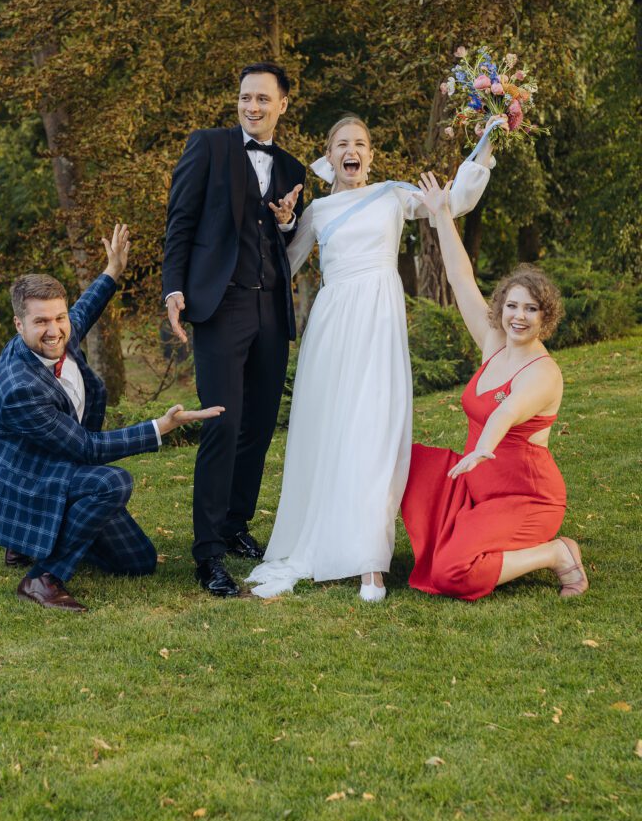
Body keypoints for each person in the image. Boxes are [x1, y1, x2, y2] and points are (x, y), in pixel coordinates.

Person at [246, 115, 496, 603]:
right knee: (331, 432)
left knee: (376, 435)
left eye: (360, 143)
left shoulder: (392, 195)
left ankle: (370, 562)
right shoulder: (318, 210)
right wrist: (285, 224)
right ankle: (328, 541)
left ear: (370, 155)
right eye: (342, 143)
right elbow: (283, 265)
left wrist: (488, 144)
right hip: (332, 329)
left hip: (380, 325)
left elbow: (454, 201)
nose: (352, 151)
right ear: (330, 155)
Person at [0, 224, 222, 612]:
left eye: (59, 317)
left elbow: (84, 309)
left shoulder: (59, 335)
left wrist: (112, 270)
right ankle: (42, 577)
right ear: (19, 325)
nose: (54, 330)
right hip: (27, 484)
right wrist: (162, 426)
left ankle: (38, 540)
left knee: (138, 562)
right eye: (41, 322)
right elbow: (86, 448)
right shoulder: (20, 387)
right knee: (111, 482)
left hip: (55, 466)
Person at [399, 172, 588, 600]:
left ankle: (556, 553)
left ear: (545, 317)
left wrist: (484, 446)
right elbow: (461, 278)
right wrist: (441, 214)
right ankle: (362, 558)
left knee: (452, 572)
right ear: (501, 308)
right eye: (512, 306)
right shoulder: (494, 344)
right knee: (394, 460)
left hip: (526, 499)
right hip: (473, 484)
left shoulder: (543, 373)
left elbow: (506, 410)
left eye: (531, 309)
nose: (519, 316)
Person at [162, 62, 306, 597]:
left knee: (260, 425)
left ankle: (234, 523)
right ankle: (208, 556)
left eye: (263, 99)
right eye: (246, 97)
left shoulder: (291, 167)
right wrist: (174, 290)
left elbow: (283, 240)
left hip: (271, 309)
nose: (252, 106)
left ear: (282, 105)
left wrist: (288, 221)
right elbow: (180, 222)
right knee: (222, 424)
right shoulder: (208, 146)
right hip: (221, 308)